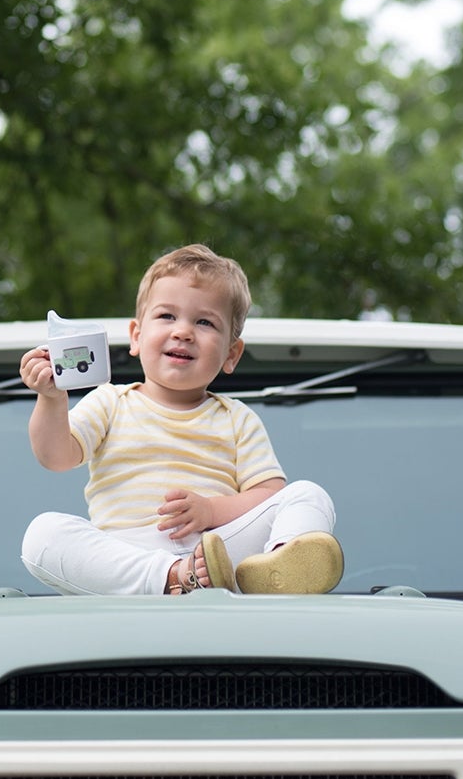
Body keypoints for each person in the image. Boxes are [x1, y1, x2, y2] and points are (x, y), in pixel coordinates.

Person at [19, 244, 343, 596]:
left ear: (231, 354)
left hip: (218, 553)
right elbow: (55, 456)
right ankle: (174, 576)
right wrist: (51, 399)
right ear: (136, 336)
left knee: (309, 495)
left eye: (204, 322)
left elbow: (269, 494)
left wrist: (211, 511)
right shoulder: (110, 401)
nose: (183, 332)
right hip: (128, 557)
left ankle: (279, 567)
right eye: (166, 316)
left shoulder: (237, 418)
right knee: (42, 535)